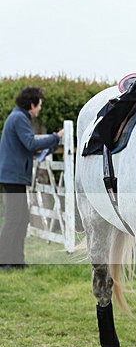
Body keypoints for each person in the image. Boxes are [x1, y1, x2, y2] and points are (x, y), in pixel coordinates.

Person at [0, 87, 64, 268]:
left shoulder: (18, 117)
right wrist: (55, 137)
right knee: (14, 220)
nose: (40, 109)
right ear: (31, 104)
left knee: (21, 219)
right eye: (39, 105)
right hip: (13, 177)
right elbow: (30, 143)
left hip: (14, 176)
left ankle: (17, 261)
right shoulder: (19, 118)